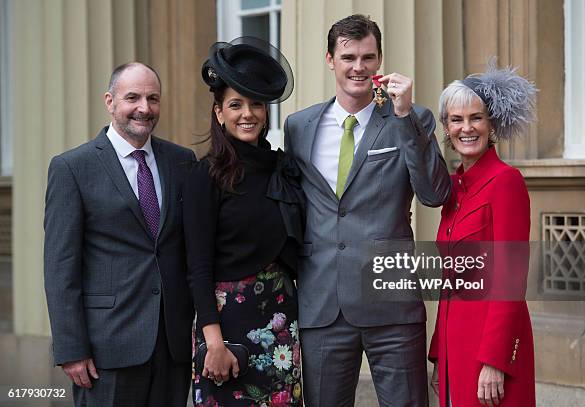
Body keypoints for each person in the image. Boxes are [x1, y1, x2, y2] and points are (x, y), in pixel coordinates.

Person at [283, 14, 451, 407]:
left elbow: (434, 193)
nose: (358, 67)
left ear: (379, 63)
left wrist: (406, 117)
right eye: (348, 57)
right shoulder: (299, 127)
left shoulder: (411, 119)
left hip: (391, 302)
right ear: (330, 60)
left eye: (368, 57)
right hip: (321, 303)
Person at [44, 62, 196, 406]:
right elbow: (60, 266)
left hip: (172, 345)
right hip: (105, 349)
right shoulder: (72, 168)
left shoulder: (181, 161)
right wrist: (71, 348)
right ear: (110, 101)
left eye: (153, 98)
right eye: (133, 97)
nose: (145, 108)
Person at [184, 37, 303, 406]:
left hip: (282, 322)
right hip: (226, 327)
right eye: (235, 104)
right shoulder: (205, 176)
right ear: (219, 112)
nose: (247, 114)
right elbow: (198, 268)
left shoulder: (281, 168)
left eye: (256, 104)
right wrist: (213, 342)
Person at [428, 61, 537, 407]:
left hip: (488, 353)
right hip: (454, 350)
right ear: (446, 128)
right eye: (456, 120)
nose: (466, 128)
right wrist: (437, 354)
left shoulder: (506, 182)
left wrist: (495, 359)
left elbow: (511, 277)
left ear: (491, 125)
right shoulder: (454, 189)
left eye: (476, 118)